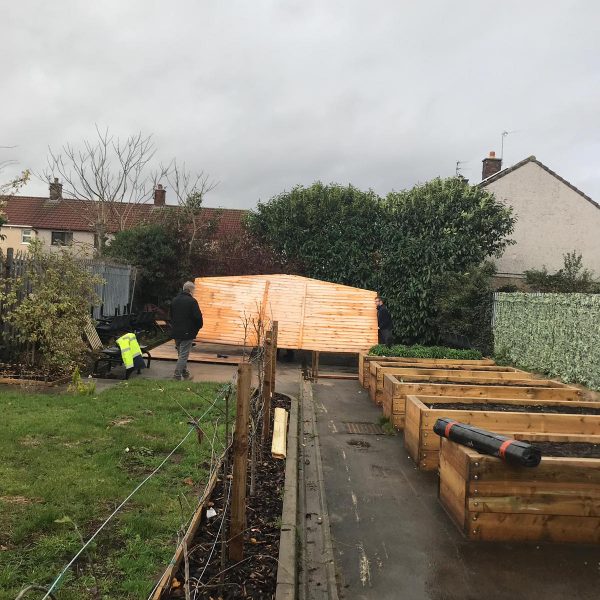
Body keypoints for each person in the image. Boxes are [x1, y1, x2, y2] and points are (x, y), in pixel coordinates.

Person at [170, 281, 203, 380]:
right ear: (191, 290)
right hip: (187, 332)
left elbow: (171, 316)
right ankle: (176, 376)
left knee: (181, 354)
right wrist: (198, 327)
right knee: (183, 355)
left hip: (176, 332)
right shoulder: (192, 301)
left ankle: (185, 374)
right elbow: (198, 317)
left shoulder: (174, 300)